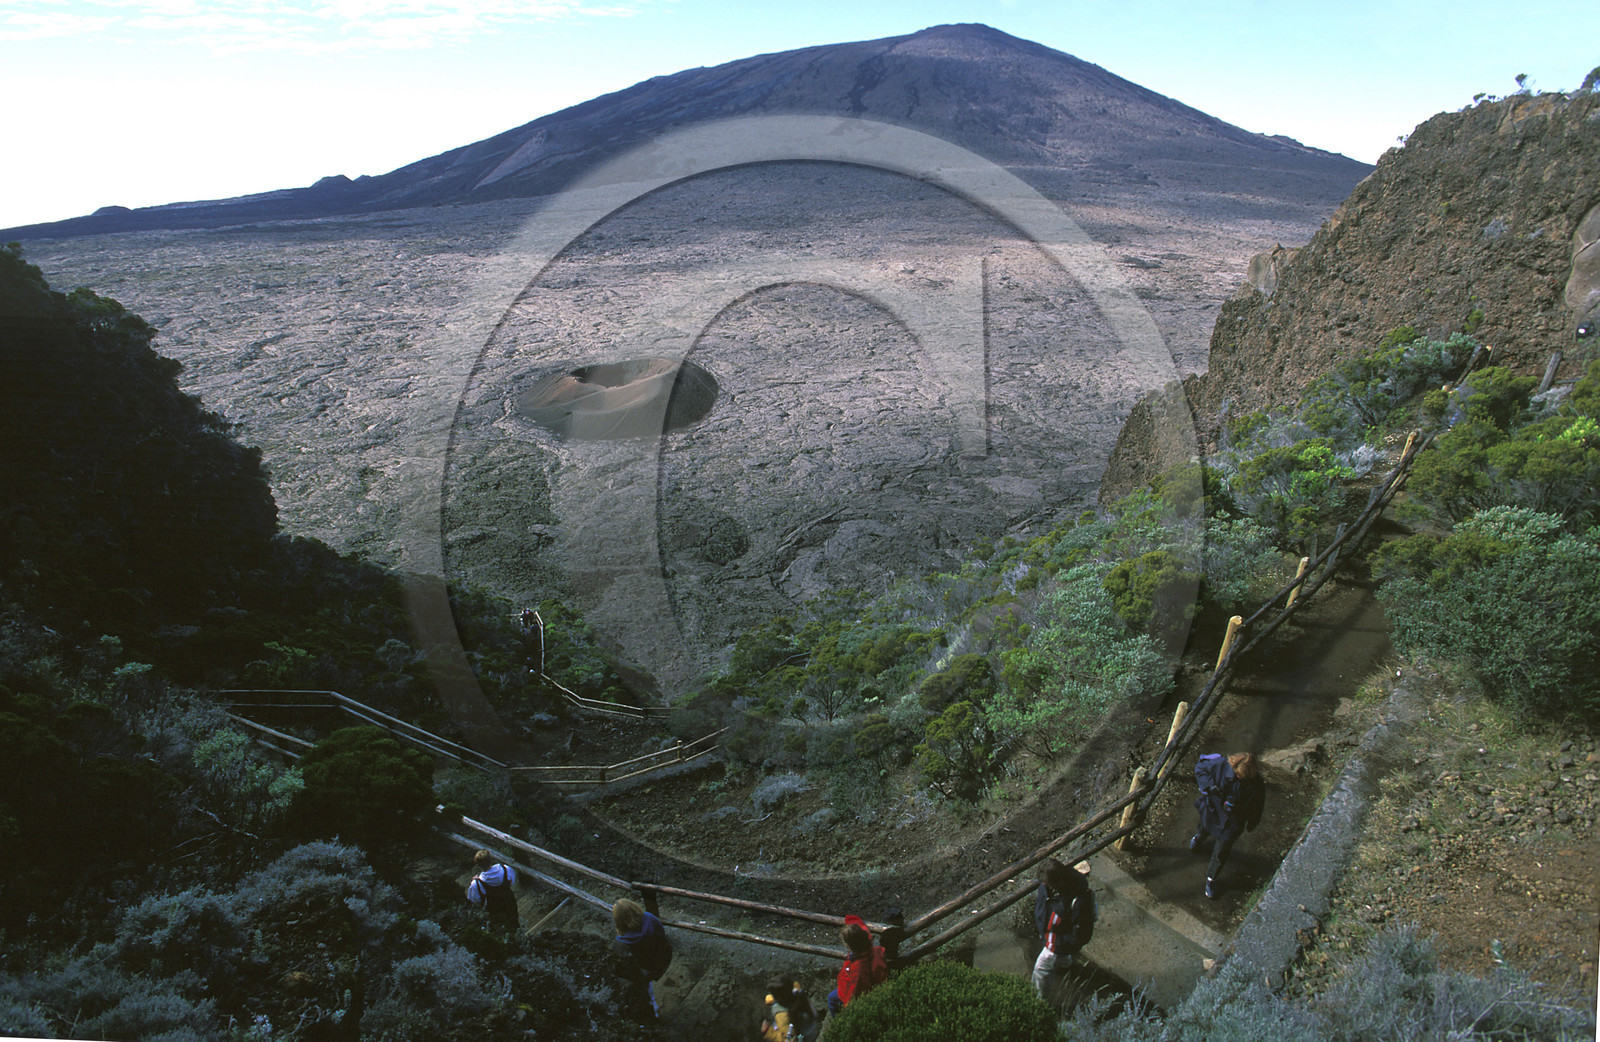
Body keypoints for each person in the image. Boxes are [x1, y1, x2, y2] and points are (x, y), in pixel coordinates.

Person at [1190, 751, 1265, 899]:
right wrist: (1209, 786)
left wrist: (1252, 822)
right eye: (1236, 774)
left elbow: (1257, 805)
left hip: (1233, 821)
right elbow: (1200, 768)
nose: (1238, 777)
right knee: (1204, 826)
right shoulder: (1220, 765)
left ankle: (1211, 879)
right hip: (1214, 810)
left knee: (1221, 851)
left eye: (1241, 777)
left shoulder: (1256, 784)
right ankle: (1199, 838)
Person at [1032, 858, 1095, 1003]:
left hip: (1054, 946)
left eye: (1047, 883)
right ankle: (1065, 966)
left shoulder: (1079, 902)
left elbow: (1082, 935)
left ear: (1060, 881)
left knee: (1040, 971)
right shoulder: (1051, 886)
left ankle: (1039, 1001)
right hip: (1052, 939)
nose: (1044, 885)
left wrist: (1057, 945)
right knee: (1062, 961)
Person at [612, 898, 673, 1020]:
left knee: (647, 990)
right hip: (661, 958)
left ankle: (653, 1011)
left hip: (645, 968)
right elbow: (662, 932)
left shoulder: (623, 941)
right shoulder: (650, 918)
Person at [826, 914, 888, 1015]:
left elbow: (853, 994)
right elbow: (858, 924)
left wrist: (848, 1006)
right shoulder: (870, 948)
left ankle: (838, 1021)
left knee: (831, 999)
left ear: (849, 946)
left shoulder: (857, 969)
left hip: (860, 993)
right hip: (872, 986)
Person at [465, 849, 519, 935]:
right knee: (515, 926)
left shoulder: (476, 884)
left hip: (495, 914)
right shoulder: (505, 869)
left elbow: (474, 901)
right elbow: (512, 882)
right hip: (510, 905)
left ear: (478, 865)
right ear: (491, 859)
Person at [759, 978, 820, 1042]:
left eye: (773, 995)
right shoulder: (798, 993)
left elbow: (788, 1040)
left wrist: (768, 1031)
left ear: (779, 998)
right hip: (812, 1030)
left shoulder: (782, 1016)